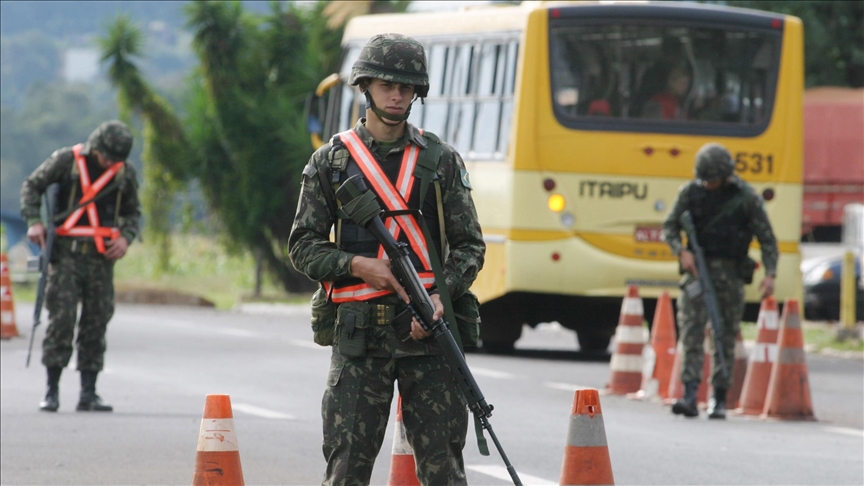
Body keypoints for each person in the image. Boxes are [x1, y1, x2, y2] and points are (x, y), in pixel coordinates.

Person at [288, 33, 485, 485]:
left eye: (407, 87)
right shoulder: (332, 162)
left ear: (418, 93)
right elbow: (303, 245)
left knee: (445, 474)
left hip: (429, 337)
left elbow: (470, 246)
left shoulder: (441, 162)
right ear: (365, 88)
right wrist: (358, 266)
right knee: (346, 473)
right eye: (386, 85)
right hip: (360, 339)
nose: (397, 95)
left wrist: (439, 296)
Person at [21, 120, 140, 413]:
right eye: (106, 157)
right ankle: (52, 391)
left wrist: (125, 238)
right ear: (95, 147)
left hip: (101, 259)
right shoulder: (67, 161)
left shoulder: (124, 173)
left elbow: (132, 212)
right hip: (66, 256)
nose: (109, 163)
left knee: (96, 322)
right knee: (60, 321)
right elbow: (32, 186)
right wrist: (34, 221)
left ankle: (89, 392)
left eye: (116, 159)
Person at [662, 143, 778, 420]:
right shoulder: (690, 193)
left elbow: (767, 239)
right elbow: (669, 226)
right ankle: (689, 394)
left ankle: (719, 398)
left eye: (712, 180)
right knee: (690, 331)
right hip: (697, 274)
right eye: (705, 180)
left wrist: (770, 274)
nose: (708, 185)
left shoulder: (746, 198)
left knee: (724, 334)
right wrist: (682, 251)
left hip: (730, 276)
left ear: (725, 176)